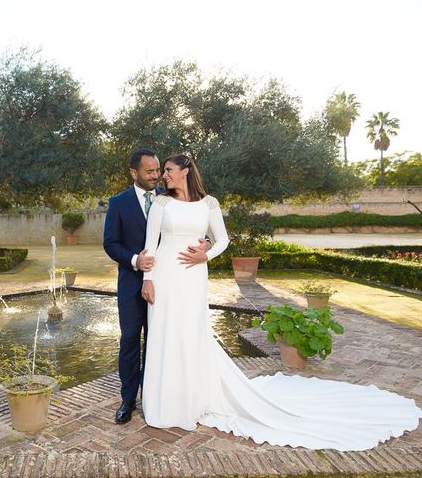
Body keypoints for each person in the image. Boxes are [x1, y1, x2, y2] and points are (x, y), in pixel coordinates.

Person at [140, 153, 422, 451]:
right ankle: (165, 403)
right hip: (166, 276)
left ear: (186, 170)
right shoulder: (161, 203)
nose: (164, 176)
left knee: (191, 335)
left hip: (194, 277)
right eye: (164, 172)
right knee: (164, 335)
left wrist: (205, 254)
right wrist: (148, 279)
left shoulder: (209, 203)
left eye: (169, 170)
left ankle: (192, 399)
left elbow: (222, 239)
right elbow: (149, 245)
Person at [103, 148, 210, 424]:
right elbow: (110, 244)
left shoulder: (170, 198)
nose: (156, 176)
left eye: (158, 171)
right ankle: (128, 400)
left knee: (159, 341)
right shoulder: (118, 203)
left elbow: (196, 223)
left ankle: (156, 397)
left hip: (168, 285)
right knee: (129, 341)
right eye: (150, 172)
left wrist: (206, 245)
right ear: (133, 172)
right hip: (131, 283)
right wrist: (136, 261)